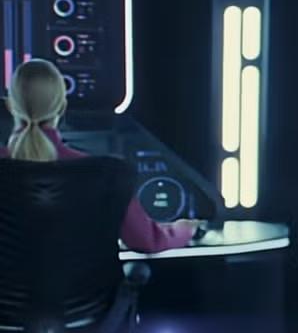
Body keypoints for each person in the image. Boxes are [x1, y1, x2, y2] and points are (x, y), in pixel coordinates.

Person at [2, 59, 198, 253]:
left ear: (10, 106)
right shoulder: (105, 175)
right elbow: (148, 241)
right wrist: (183, 230)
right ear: (62, 107)